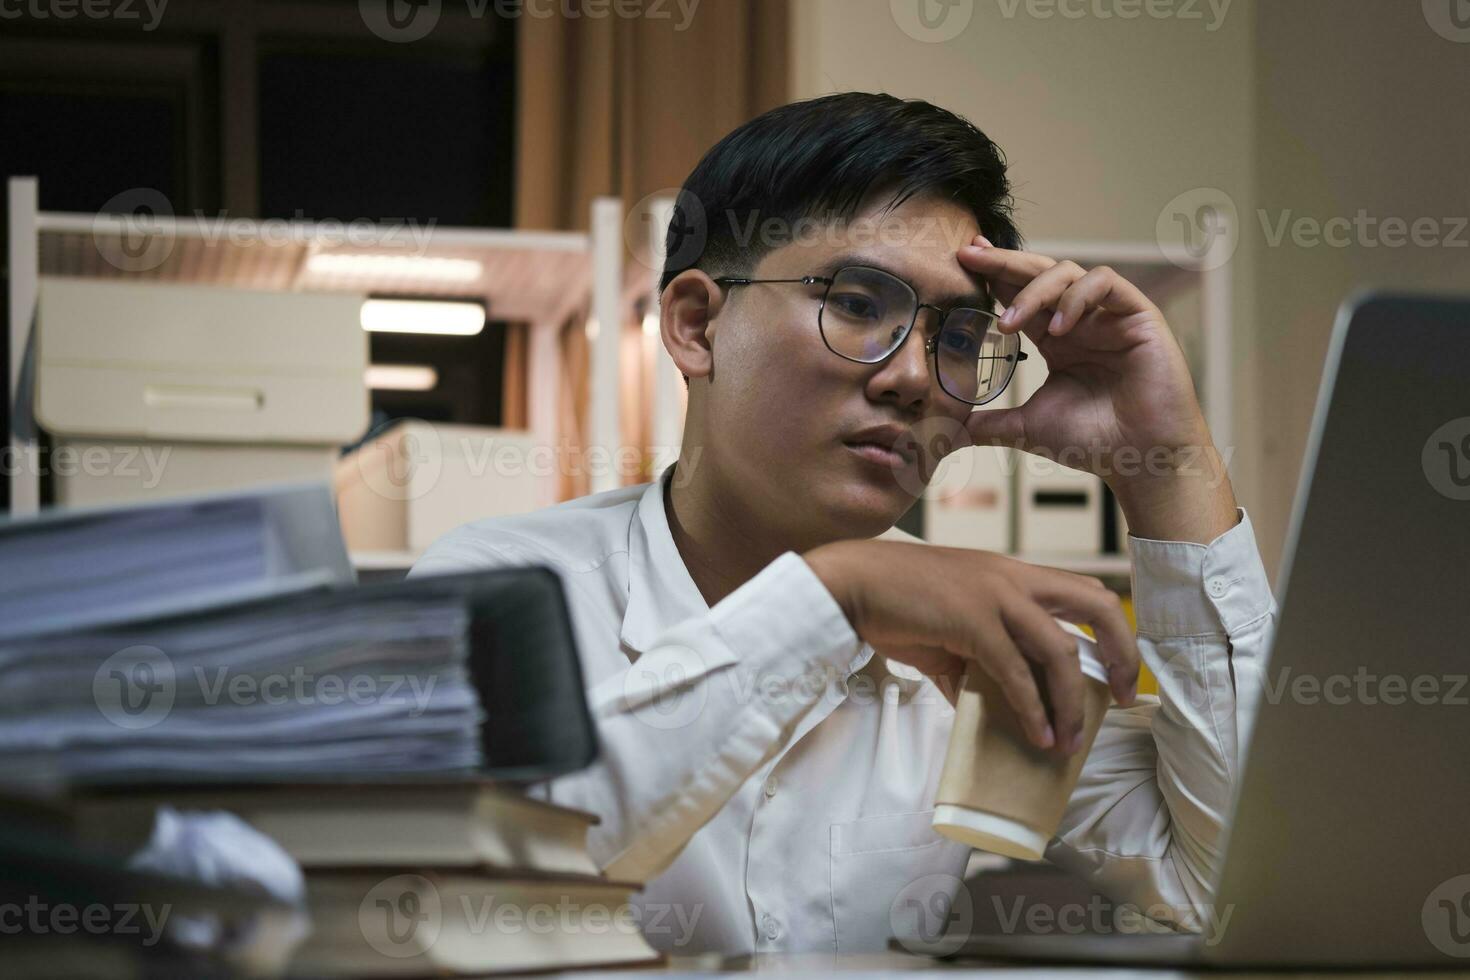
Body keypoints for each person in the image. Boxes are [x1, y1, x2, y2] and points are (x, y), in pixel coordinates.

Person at [409, 92, 1275, 955]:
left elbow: (1233, 891)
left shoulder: (984, 644)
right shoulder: (503, 587)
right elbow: (452, 894)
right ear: (695, 325)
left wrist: (1168, 465)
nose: (913, 377)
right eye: (860, 303)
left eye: (960, 337)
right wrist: (831, 602)